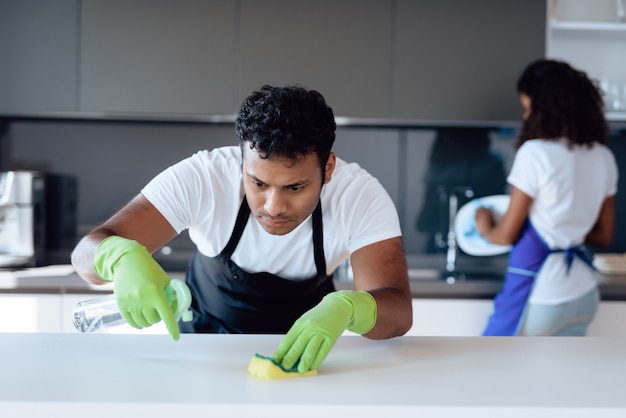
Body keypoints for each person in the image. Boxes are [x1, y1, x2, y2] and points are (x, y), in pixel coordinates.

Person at [71, 85, 413, 372]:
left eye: (295, 187)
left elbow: (398, 311)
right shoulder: (203, 176)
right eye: (258, 182)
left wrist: (350, 307)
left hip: (300, 356)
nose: (273, 206)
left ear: (329, 167)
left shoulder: (360, 196)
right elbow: (86, 255)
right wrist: (120, 256)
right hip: (201, 351)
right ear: (241, 159)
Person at [474, 59, 618, 336]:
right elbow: (603, 236)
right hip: (583, 295)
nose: (526, 118)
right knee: (564, 380)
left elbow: (505, 236)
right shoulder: (603, 157)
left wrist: (484, 224)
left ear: (545, 109)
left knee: (505, 371)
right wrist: (566, 227)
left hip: (542, 295)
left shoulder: (535, 153)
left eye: (528, 109)